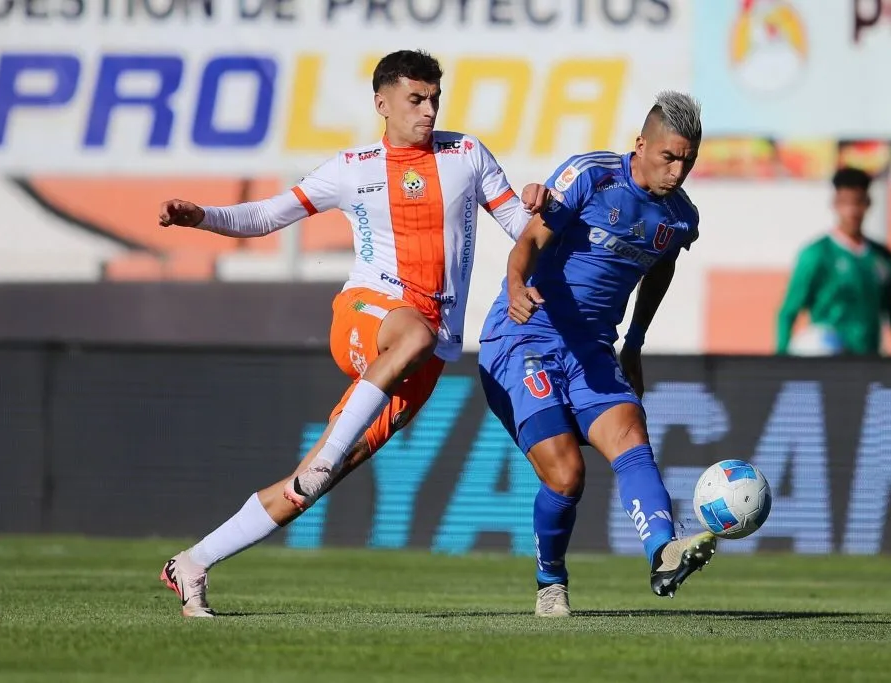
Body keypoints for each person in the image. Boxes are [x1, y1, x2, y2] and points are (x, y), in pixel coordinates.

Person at [156, 49, 548, 617]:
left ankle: (191, 563)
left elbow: (519, 227)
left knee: (307, 486)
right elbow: (267, 216)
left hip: (427, 354)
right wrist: (203, 217)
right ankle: (328, 452)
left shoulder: (466, 154)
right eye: (416, 99)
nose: (429, 110)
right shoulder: (353, 167)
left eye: (435, 98)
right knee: (410, 335)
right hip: (368, 313)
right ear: (381, 104)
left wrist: (543, 209)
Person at [477, 92, 717, 618]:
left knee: (630, 428)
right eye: (668, 157)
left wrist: (634, 342)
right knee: (566, 474)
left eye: (688, 160)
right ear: (641, 145)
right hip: (525, 336)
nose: (678, 171)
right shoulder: (589, 176)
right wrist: (515, 285)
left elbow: (661, 266)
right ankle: (550, 583)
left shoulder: (680, 218)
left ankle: (664, 550)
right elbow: (532, 238)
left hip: (592, 348)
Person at [776, 167, 891, 356]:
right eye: (845, 203)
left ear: (868, 204)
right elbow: (789, 311)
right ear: (835, 204)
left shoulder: (881, 257)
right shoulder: (817, 254)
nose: (852, 211)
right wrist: (779, 362)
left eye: (858, 202)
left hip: (869, 361)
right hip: (830, 363)